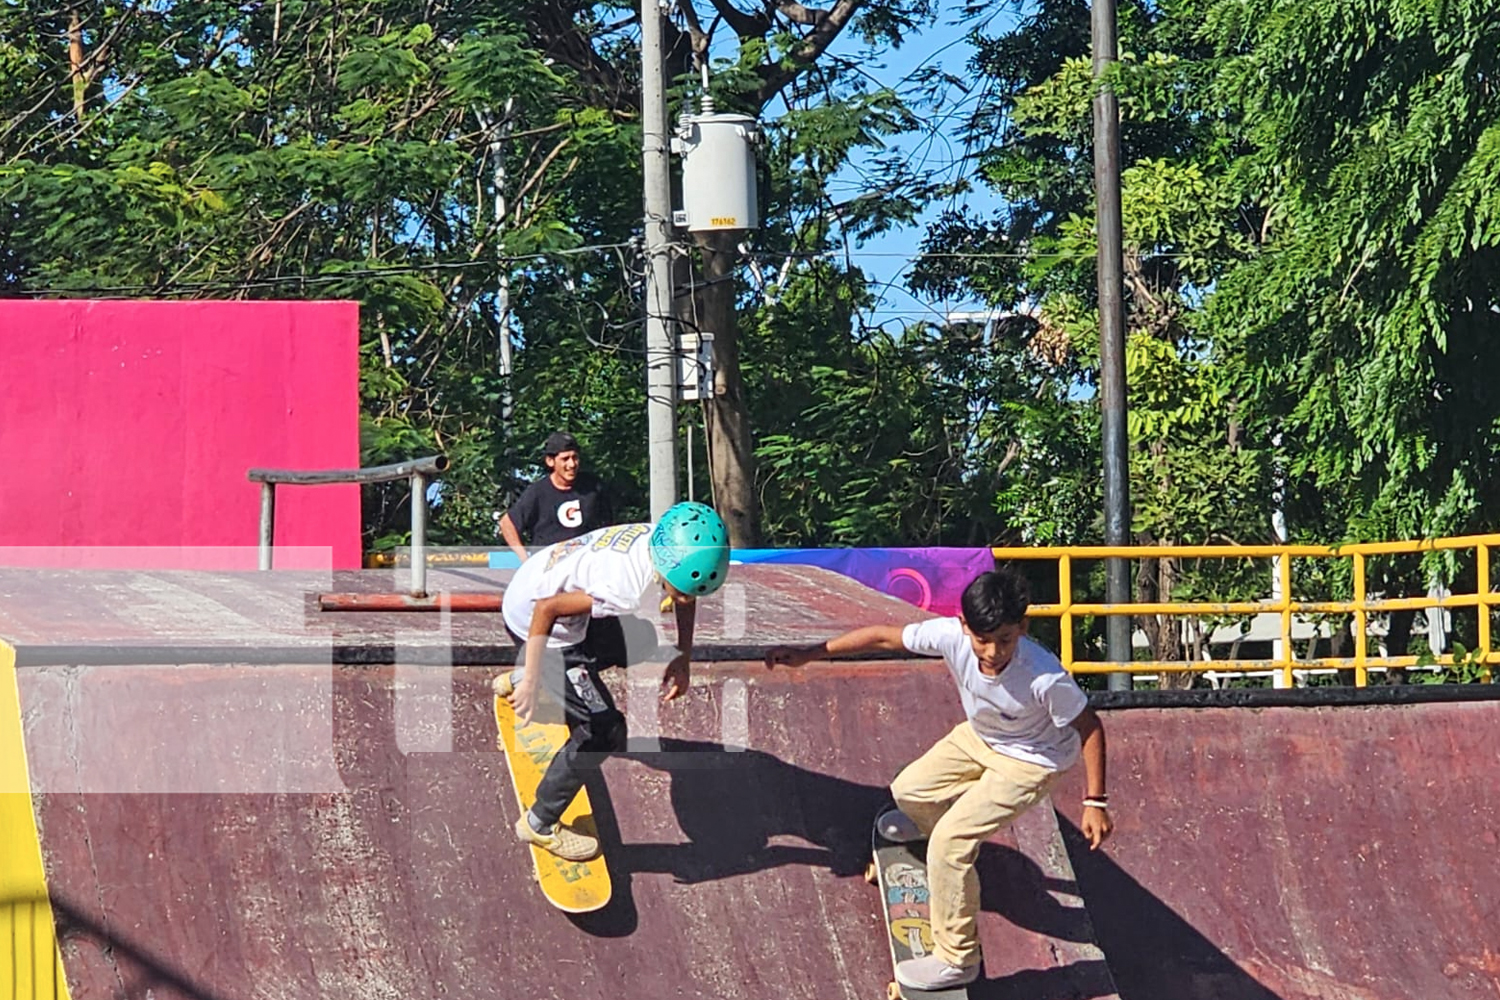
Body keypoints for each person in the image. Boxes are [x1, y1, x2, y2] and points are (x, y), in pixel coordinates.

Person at [764, 567, 1112, 992]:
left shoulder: (1044, 676)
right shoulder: (949, 635)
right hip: (982, 737)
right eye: (981, 639)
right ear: (964, 626)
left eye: (1005, 639)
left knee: (951, 842)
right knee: (907, 791)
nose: (992, 652)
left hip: (1034, 761)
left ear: (1022, 627)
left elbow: (1090, 727)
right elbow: (882, 637)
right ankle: (941, 845)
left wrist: (1095, 801)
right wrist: (810, 654)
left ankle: (957, 958)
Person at [495, 502, 731, 862]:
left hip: (542, 589)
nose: (682, 601)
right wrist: (530, 679)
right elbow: (546, 609)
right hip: (536, 621)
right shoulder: (625, 586)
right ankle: (540, 823)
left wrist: (683, 656)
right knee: (603, 731)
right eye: (679, 591)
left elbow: (686, 594)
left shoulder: (663, 536)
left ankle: (543, 675)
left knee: (643, 640)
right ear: (668, 566)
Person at [498, 431, 612, 563]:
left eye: (575, 457)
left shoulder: (593, 486)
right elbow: (507, 523)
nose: (572, 464)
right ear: (550, 461)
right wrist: (524, 558)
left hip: (584, 566)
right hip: (549, 568)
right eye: (565, 459)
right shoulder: (538, 491)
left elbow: (608, 525)